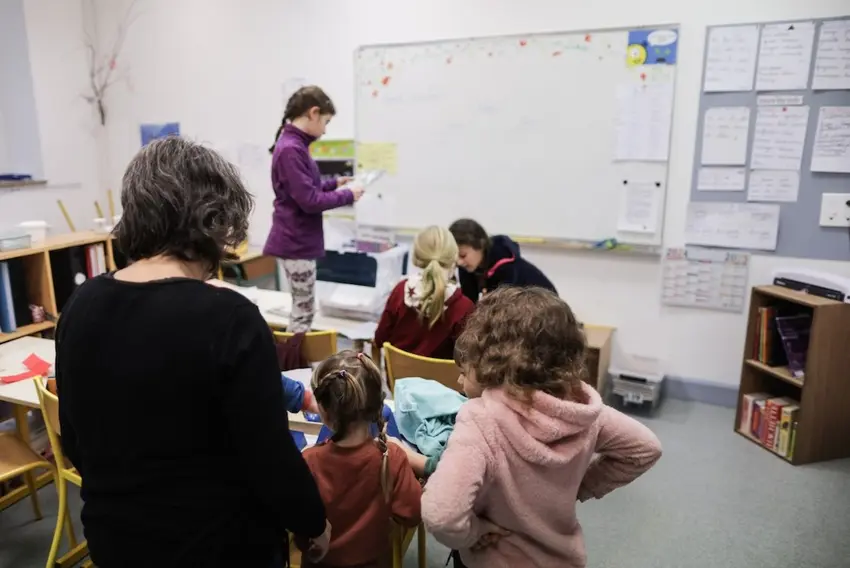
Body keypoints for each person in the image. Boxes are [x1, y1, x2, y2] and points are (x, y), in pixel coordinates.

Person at [56, 137, 329, 567]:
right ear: (215, 221)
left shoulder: (80, 305)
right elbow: (270, 460)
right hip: (220, 547)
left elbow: (74, 439)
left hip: (117, 543)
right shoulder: (229, 318)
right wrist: (313, 522)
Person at [421, 287, 662, 568]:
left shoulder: (480, 419)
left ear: (492, 359)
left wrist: (473, 533)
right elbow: (646, 449)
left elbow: (442, 515)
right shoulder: (583, 413)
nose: (461, 379)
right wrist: (580, 487)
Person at [299, 351, 422, 568]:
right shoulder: (392, 457)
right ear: (378, 407)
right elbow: (412, 514)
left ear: (324, 412)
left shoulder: (309, 461)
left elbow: (297, 525)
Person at [264, 86, 365, 332]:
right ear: (313, 113)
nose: (325, 130)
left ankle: (294, 365)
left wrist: (334, 184)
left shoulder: (294, 145)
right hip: (296, 242)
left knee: (303, 312)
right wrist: (348, 195)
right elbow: (309, 201)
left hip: (298, 241)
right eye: (326, 122)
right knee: (302, 315)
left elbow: (304, 189)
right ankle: (293, 368)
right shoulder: (291, 148)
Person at [374, 226, 475, 359]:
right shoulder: (464, 307)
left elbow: (379, 339)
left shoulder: (400, 291)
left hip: (398, 379)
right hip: (442, 380)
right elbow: (468, 359)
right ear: (453, 256)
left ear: (416, 255)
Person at [448, 218, 556, 303]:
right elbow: (469, 303)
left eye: (463, 255)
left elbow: (501, 312)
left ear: (480, 245)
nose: (459, 262)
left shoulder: (508, 267)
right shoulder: (468, 268)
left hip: (543, 309)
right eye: (455, 256)